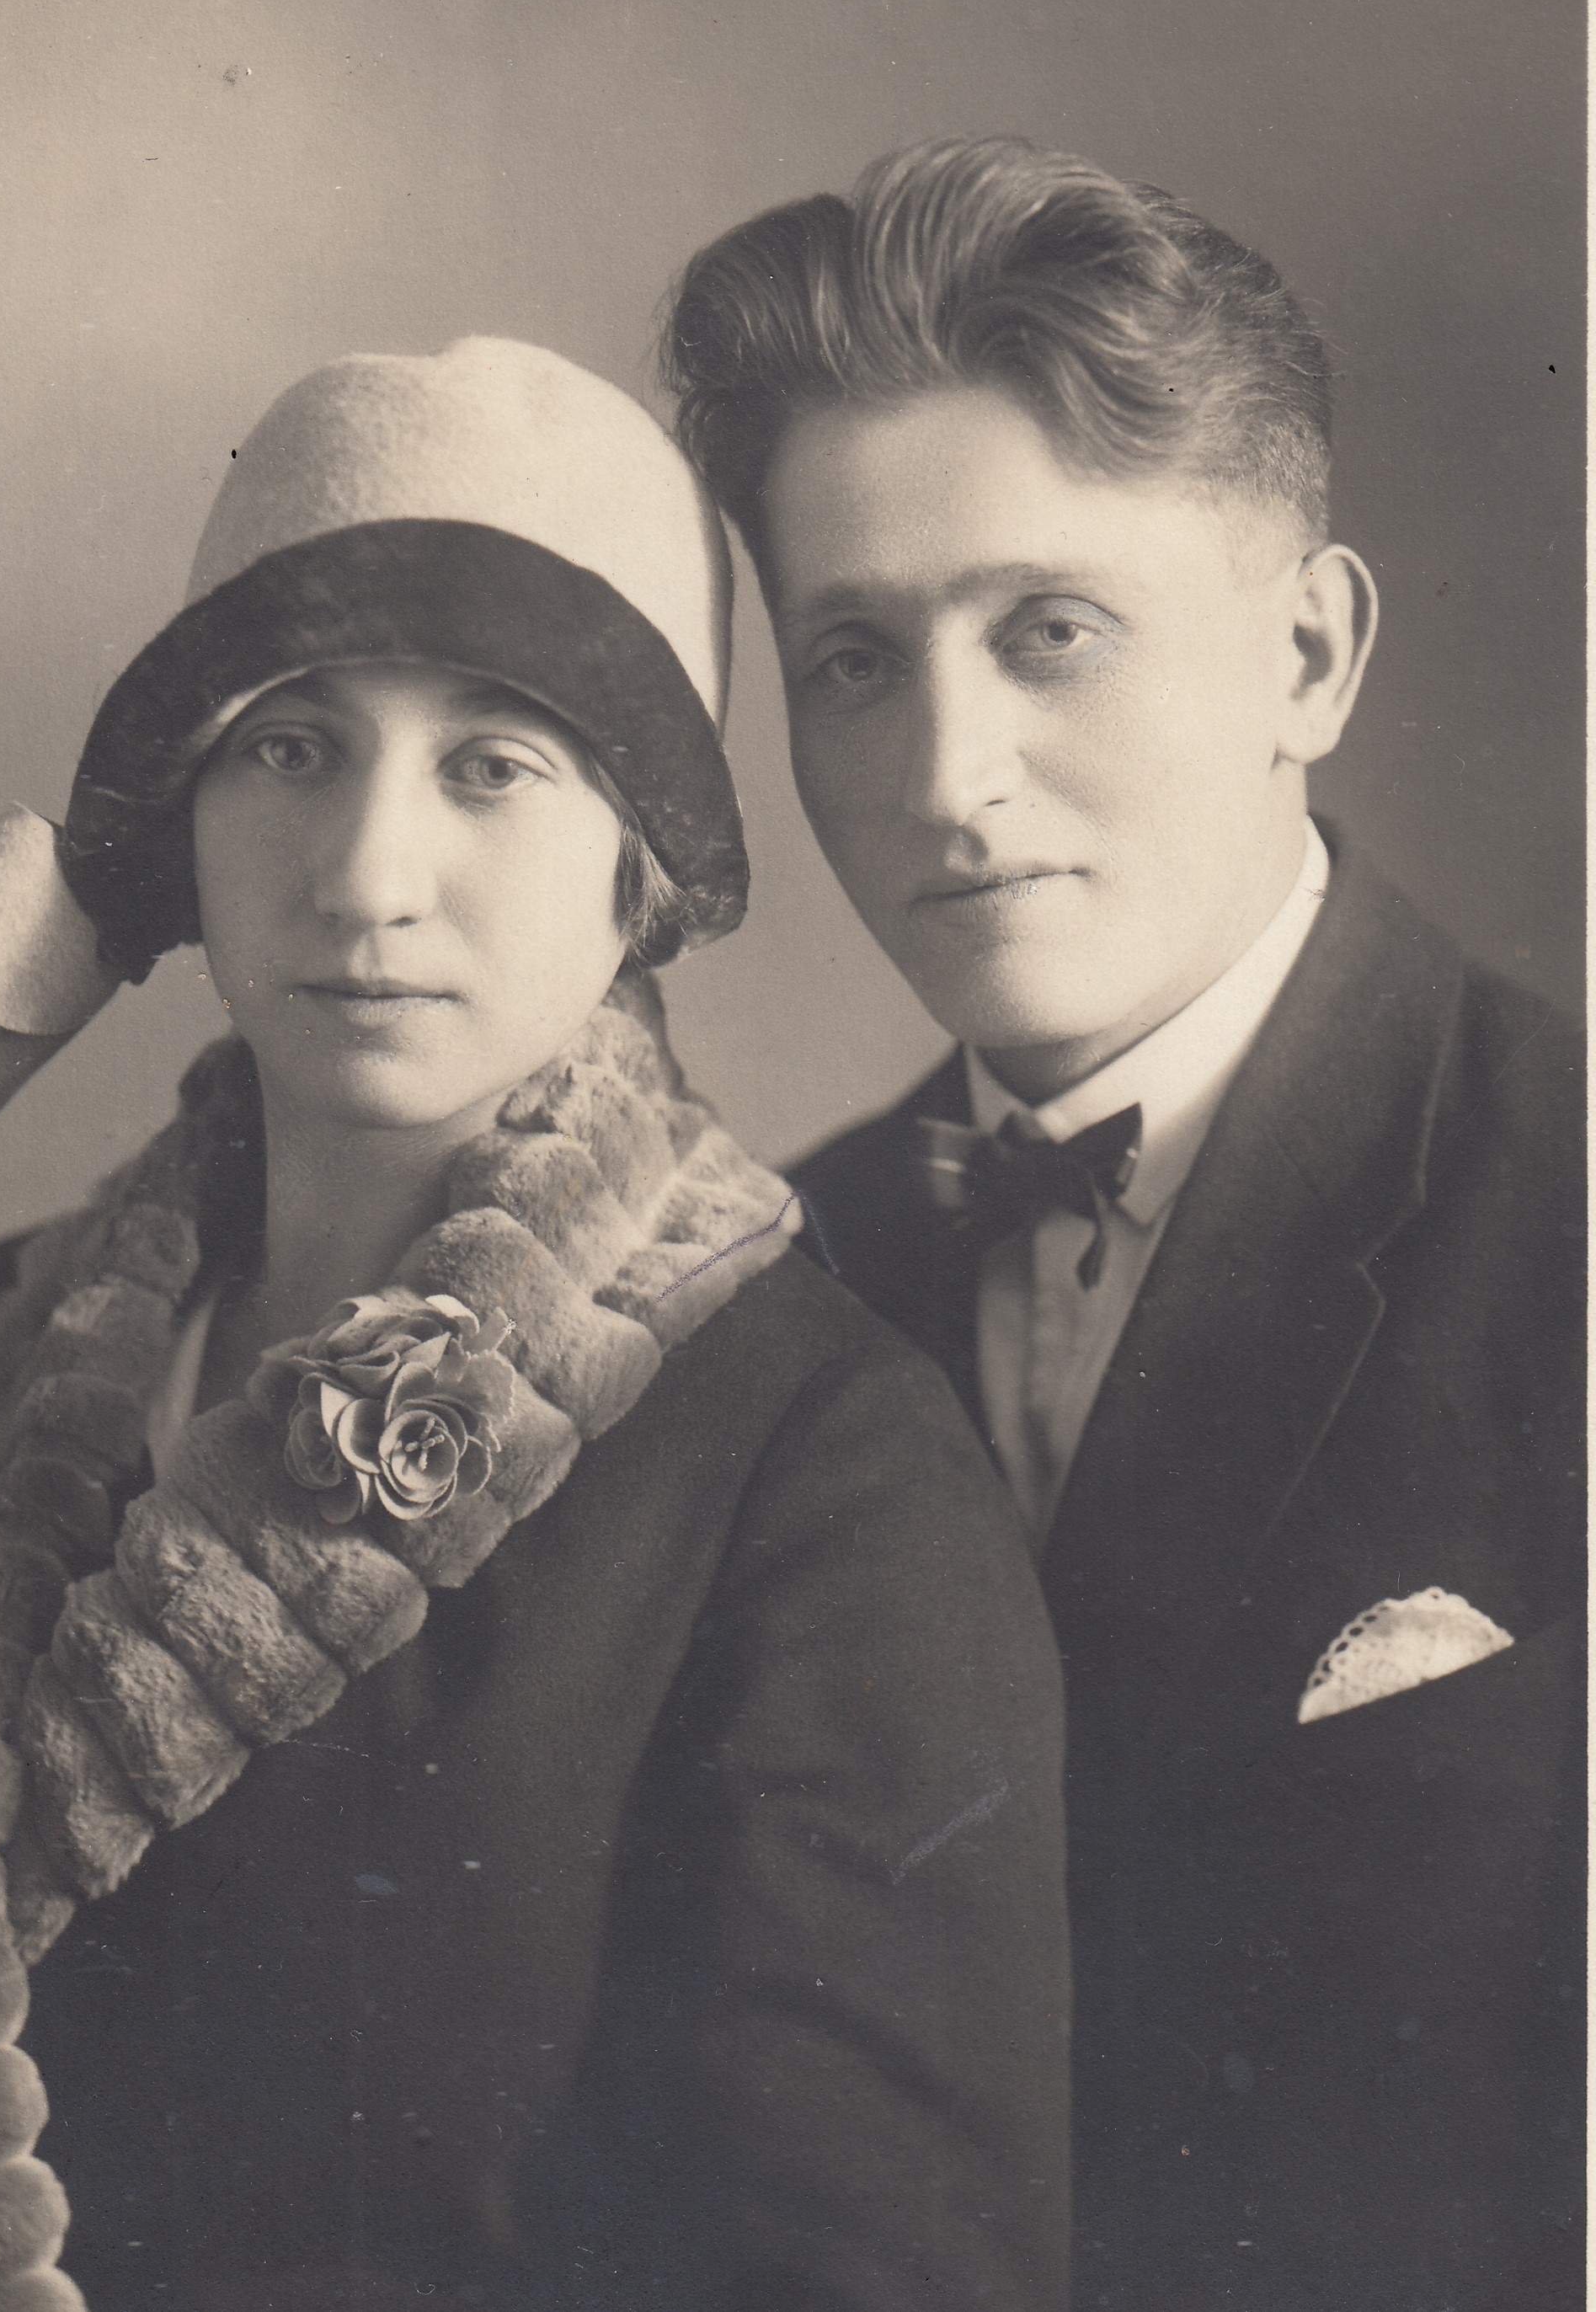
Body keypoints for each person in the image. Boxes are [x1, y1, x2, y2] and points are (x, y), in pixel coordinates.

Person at [0, 334, 1071, 2312]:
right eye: (291, 748)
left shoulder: (827, 1472)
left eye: (491, 766)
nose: (369, 877)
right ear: (182, 815)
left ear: (640, 869)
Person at [662, 138, 1584, 2312]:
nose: (944, 775)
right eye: (853, 659)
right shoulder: (756, 1285)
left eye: (1050, 632)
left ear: (1308, 653)